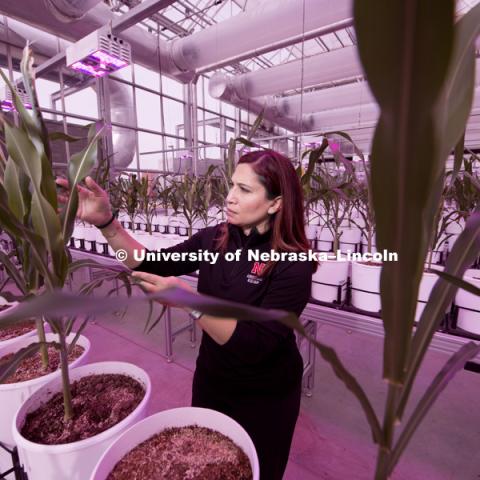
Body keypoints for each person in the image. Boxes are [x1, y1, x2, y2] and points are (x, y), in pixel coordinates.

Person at [56, 150, 315, 480]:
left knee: (258, 469)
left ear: (276, 203)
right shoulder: (215, 238)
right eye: (232, 185)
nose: (230, 197)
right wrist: (107, 223)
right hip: (213, 378)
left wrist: (189, 300)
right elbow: (150, 264)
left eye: (245, 190)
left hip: (266, 395)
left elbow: (257, 345)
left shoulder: (293, 262)